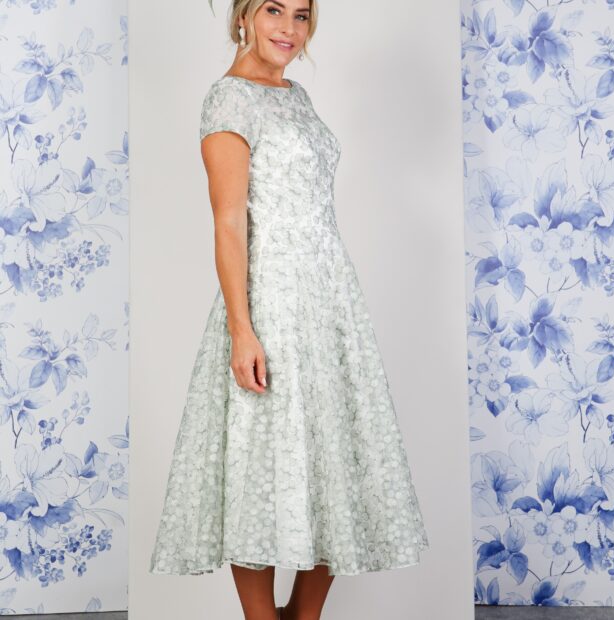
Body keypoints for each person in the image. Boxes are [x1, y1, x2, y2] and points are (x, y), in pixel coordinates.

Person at [149, 1, 430, 618]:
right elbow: (229, 222)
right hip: (271, 300)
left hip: (330, 301)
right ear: (244, 17)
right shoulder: (229, 100)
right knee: (261, 460)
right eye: (273, 10)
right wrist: (242, 329)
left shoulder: (297, 96)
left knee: (335, 460)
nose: (288, 28)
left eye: (301, 15)